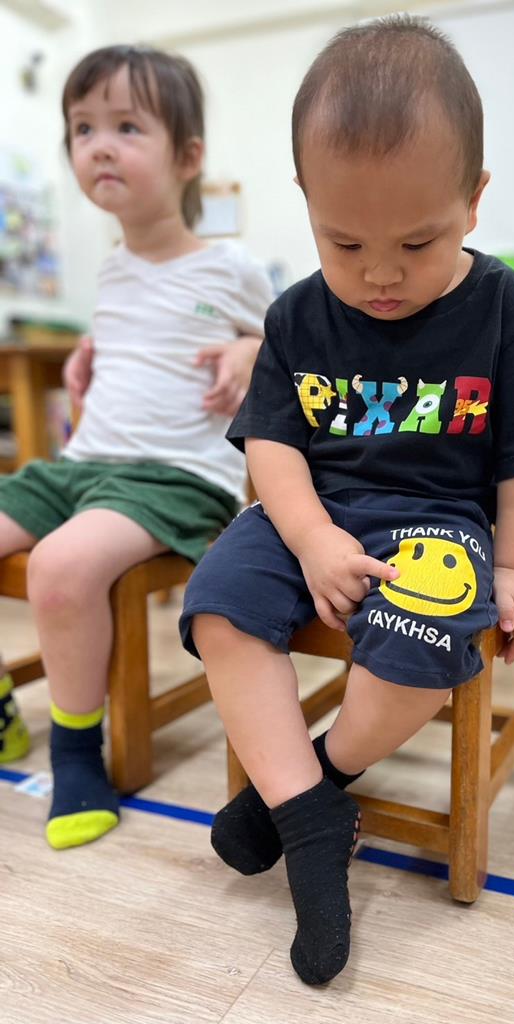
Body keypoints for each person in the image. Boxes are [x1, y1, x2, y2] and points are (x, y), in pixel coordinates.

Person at [179, 15, 514, 986]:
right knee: (218, 606)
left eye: (418, 241)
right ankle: (309, 814)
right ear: (305, 201)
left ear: (474, 201)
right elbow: (273, 444)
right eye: (344, 241)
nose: (379, 271)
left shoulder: (507, 308)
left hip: (436, 519)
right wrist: (310, 536)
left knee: (430, 635)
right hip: (308, 514)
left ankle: (314, 786)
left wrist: (511, 564)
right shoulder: (294, 314)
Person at [0, 45, 272, 850]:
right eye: (83, 129)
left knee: (59, 568)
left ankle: (77, 751)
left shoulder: (231, 266)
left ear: (187, 157)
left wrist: (250, 350)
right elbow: (139, 337)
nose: (99, 146)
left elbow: (295, 352)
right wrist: (92, 352)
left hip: (175, 477)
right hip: (85, 465)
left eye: (126, 127)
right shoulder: (115, 270)